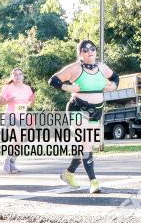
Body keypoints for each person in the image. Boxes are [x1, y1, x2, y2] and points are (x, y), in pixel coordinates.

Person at [49, 40, 119, 194]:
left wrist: (113, 86)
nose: (90, 52)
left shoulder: (102, 67)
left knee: (86, 145)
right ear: (80, 53)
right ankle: (93, 182)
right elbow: (53, 80)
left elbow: (115, 78)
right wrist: (68, 87)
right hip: (77, 108)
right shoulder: (75, 68)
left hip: (97, 110)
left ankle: (69, 173)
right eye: (85, 50)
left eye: (92, 49)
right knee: (86, 143)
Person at [0, 68, 36, 174]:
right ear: (12, 77)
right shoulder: (8, 88)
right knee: (17, 139)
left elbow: (30, 104)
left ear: (23, 76)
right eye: (15, 75)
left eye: (20, 74)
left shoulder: (27, 88)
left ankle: (12, 162)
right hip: (11, 116)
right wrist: (9, 101)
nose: (18, 76)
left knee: (20, 142)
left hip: (22, 117)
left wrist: (33, 99)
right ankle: (7, 160)